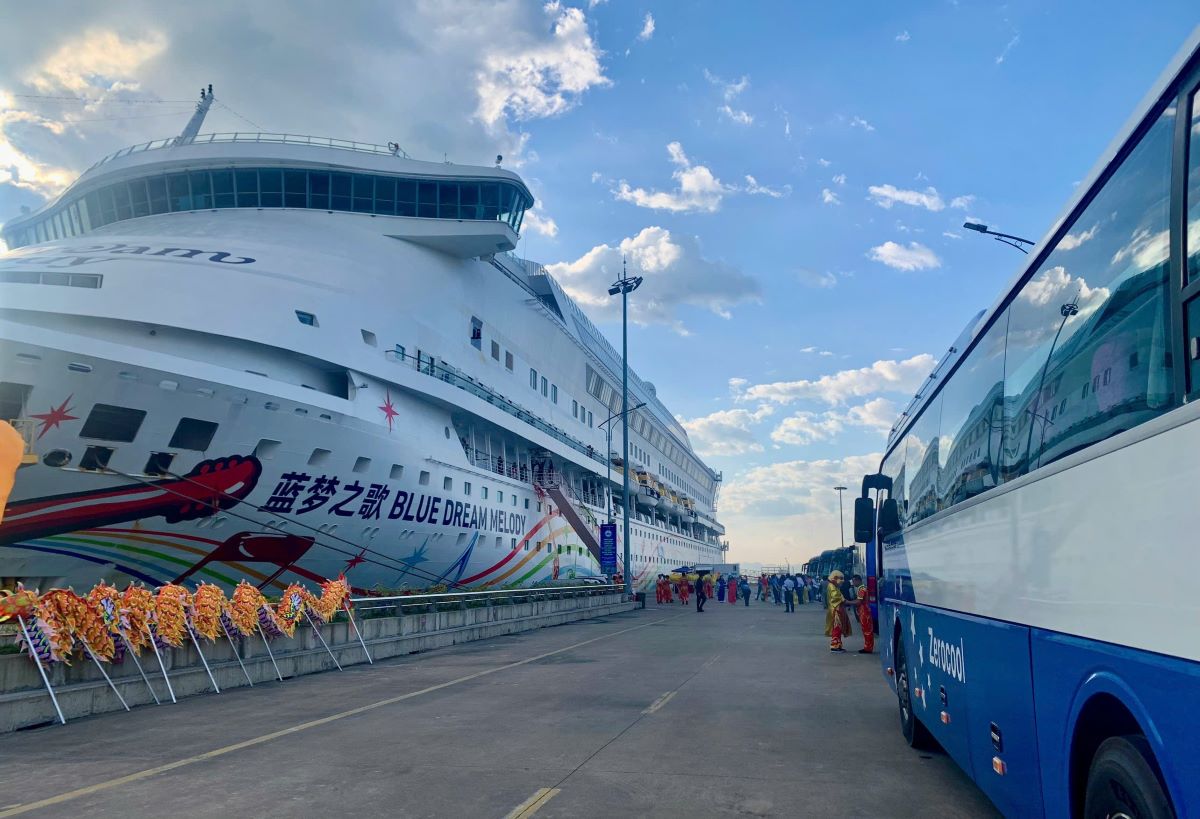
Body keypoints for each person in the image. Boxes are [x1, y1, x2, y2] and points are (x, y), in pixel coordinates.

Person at [851, 574, 875, 654]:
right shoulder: (863, 588)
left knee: (866, 630)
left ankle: (868, 648)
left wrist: (847, 602)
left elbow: (858, 601)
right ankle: (868, 647)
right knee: (867, 629)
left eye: (854, 581)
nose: (853, 583)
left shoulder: (861, 589)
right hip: (865, 610)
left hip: (864, 611)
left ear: (858, 580)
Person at [826, 570, 847, 652]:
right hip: (836, 610)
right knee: (836, 628)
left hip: (837, 609)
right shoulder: (832, 586)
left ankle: (838, 645)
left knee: (838, 628)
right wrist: (844, 600)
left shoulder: (834, 586)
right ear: (835, 578)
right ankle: (834, 646)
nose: (842, 581)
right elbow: (836, 597)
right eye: (841, 578)